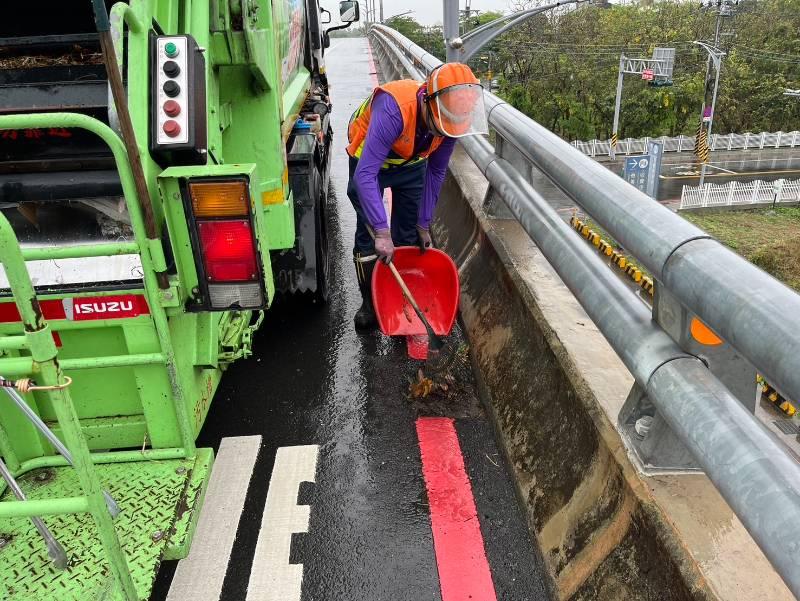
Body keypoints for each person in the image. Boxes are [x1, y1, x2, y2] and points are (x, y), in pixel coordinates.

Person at [346, 62, 487, 330]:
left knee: (409, 235)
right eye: (442, 126)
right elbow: (365, 175)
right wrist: (381, 231)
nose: (445, 133)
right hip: (370, 162)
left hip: (411, 164)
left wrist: (424, 223)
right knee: (369, 239)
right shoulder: (394, 109)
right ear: (429, 103)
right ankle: (368, 303)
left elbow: (435, 172)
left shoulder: (452, 118)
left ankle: (399, 300)